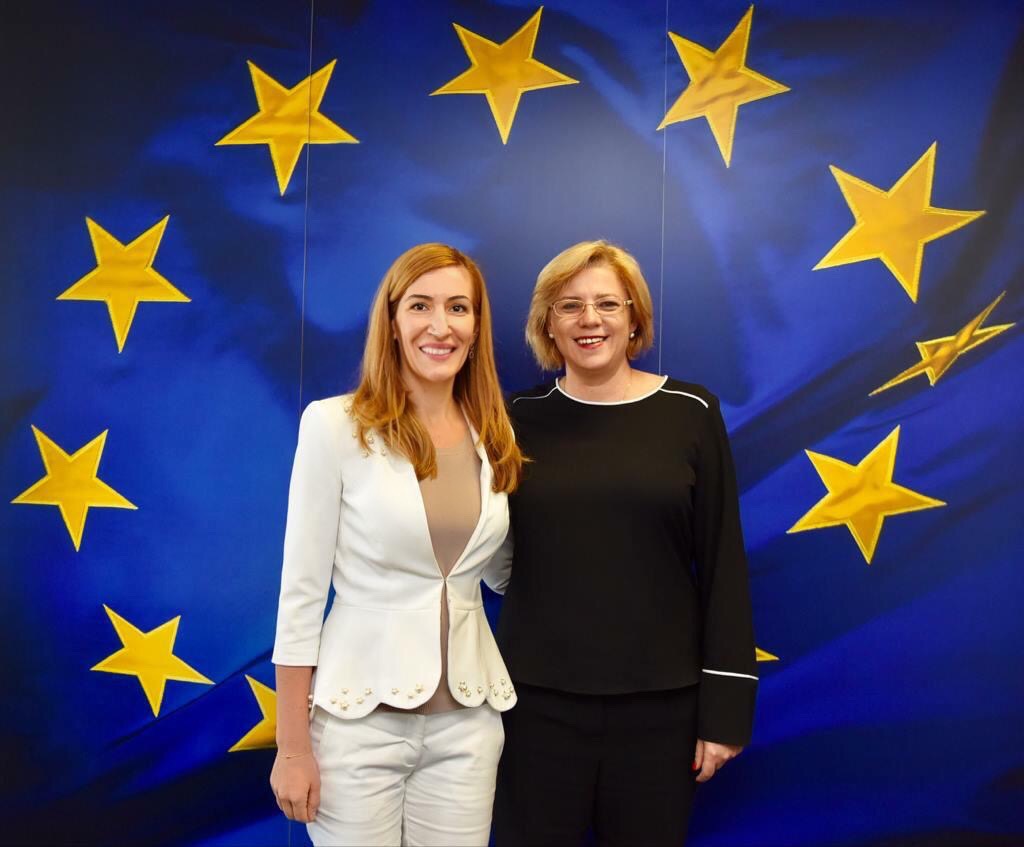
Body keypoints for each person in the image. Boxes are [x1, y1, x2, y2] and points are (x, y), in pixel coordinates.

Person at [490, 240, 757, 846]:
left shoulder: (691, 411)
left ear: (635, 318)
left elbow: (723, 564)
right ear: (547, 324)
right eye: (570, 306)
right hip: (534, 706)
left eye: (608, 304)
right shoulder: (514, 418)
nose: (590, 319)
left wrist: (725, 711)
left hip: (661, 710)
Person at [270, 243, 524, 846]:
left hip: (469, 727)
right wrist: (292, 747)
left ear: (477, 327)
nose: (441, 325)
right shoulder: (333, 426)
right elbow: (301, 595)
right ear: (391, 322)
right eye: (420, 306)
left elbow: (505, 572)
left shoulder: (496, 435)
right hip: (357, 728)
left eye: (458, 307)